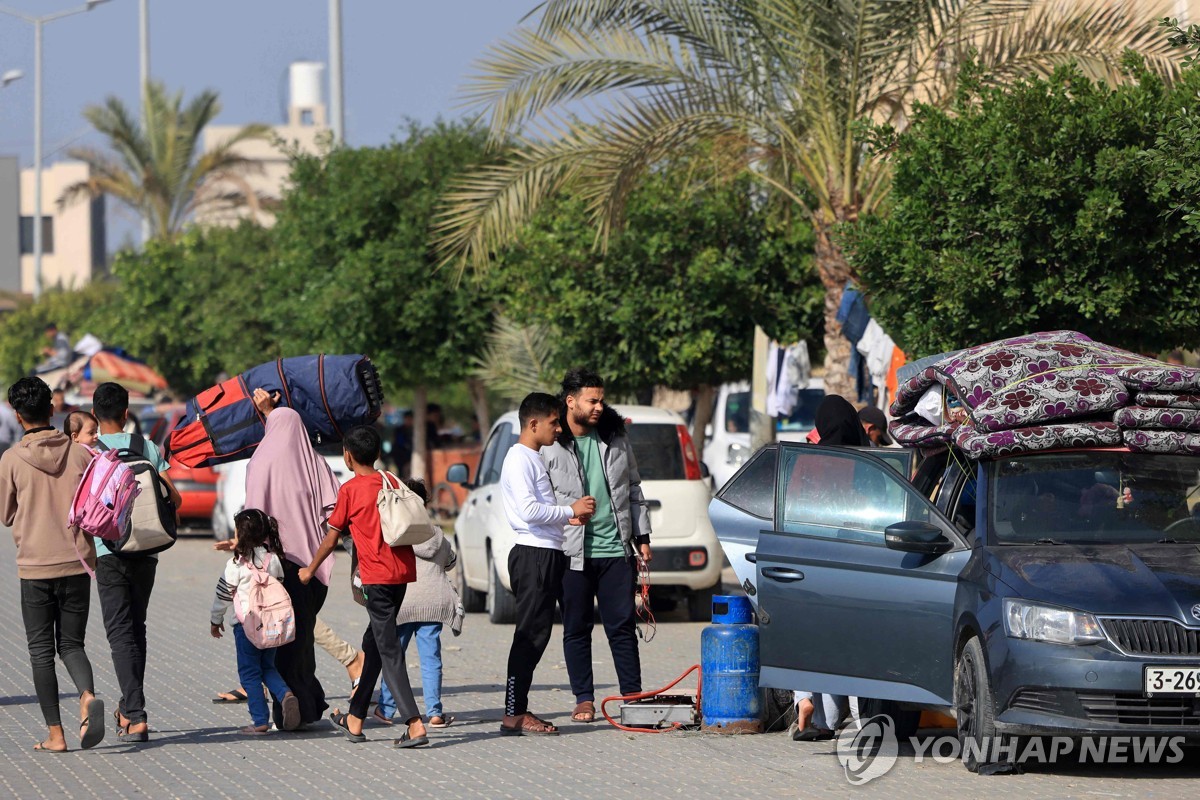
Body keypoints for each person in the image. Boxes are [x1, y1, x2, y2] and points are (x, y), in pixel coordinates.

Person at [299, 425, 429, 749]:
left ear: (347, 455)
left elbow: (331, 538)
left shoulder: (351, 490)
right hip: (401, 576)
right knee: (373, 642)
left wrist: (309, 570)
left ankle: (414, 725)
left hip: (377, 580)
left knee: (389, 651)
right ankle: (355, 718)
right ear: (378, 453)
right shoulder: (392, 480)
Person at [541, 369, 652, 723]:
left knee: (621, 626)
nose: (599, 407)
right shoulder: (550, 440)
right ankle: (584, 699)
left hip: (616, 550)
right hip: (571, 552)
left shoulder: (615, 434)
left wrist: (642, 536)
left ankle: (633, 698)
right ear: (570, 401)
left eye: (602, 400)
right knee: (576, 627)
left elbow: (633, 486)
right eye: (592, 400)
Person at [0, 376, 103, 752]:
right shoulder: (81, 454)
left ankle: (56, 735)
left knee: (41, 650)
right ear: (53, 409)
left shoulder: (11, 459)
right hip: (78, 562)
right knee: (72, 644)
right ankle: (88, 697)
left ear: (16, 415)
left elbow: (6, 514)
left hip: (35, 567)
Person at [237, 388, 342, 729]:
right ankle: (307, 704)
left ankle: (289, 707)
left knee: (279, 639)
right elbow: (334, 510)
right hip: (312, 566)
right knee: (303, 637)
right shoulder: (316, 463)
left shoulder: (260, 462)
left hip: (275, 567)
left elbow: (251, 514)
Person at [499, 392, 595, 736]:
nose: (559, 428)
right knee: (529, 636)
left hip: (547, 552)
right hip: (533, 556)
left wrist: (564, 520)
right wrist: (570, 510)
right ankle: (513, 713)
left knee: (538, 635)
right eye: (554, 422)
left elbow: (540, 511)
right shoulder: (519, 459)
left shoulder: (534, 457)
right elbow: (527, 512)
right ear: (533, 423)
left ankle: (517, 709)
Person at [92, 381, 181, 743]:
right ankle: (131, 709)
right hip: (147, 548)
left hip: (108, 552)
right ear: (126, 413)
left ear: (96, 415)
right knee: (136, 628)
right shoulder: (145, 447)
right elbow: (173, 498)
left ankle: (136, 712)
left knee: (120, 633)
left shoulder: (90, 451)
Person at [791, 395, 866, 742]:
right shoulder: (864, 461)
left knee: (809, 636)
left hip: (810, 557)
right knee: (846, 639)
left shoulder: (808, 460)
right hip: (851, 560)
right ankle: (847, 718)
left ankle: (808, 703)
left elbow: (791, 508)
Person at [375, 478, 465, 728]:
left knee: (394, 657)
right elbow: (450, 561)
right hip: (433, 603)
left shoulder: (394, 532)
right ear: (424, 503)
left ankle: (386, 709)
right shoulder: (436, 533)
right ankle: (435, 712)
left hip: (402, 602)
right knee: (431, 658)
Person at [209, 509, 301, 734]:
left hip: (246, 626)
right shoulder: (273, 559)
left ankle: (260, 720)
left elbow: (223, 595)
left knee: (249, 673)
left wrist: (215, 620)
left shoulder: (236, 564)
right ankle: (285, 694)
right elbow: (278, 583)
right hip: (272, 626)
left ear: (240, 533)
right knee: (268, 667)